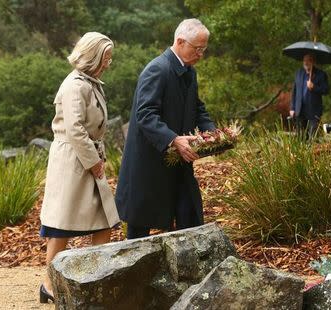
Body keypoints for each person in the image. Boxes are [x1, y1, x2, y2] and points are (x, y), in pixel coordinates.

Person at [115, 18, 216, 239]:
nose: (201, 54)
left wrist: (213, 133)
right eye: (197, 48)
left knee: (189, 221)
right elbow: (145, 114)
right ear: (180, 42)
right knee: (139, 232)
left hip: (178, 163)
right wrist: (173, 139)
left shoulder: (189, 71)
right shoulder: (157, 69)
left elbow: (197, 108)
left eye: (203, 49)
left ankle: (188, 272)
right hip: (149, 164)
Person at [39, 32, 120, 303]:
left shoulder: (90, 82)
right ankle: (48, 284)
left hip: (84, 157)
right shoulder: (75, 84)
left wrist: (97, 158)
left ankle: (94, 280)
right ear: (92, 56)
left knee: (104, 221)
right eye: (105, 57)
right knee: (62, 225)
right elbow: (74, 129)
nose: (108, 63)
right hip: (73, 161)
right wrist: (94, 162)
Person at [289, 53, 329, 137]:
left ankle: (314, 150)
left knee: (312, 136)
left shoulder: (321, 74)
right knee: (300, 137)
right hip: (299, 110)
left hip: (313, 111)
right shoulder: (299, 73)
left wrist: (314, 87)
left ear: (313, 61)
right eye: (304, 60)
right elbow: (294, 91)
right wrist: (292, 108)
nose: (306, 62)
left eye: (309, 60)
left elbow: (326, 90)